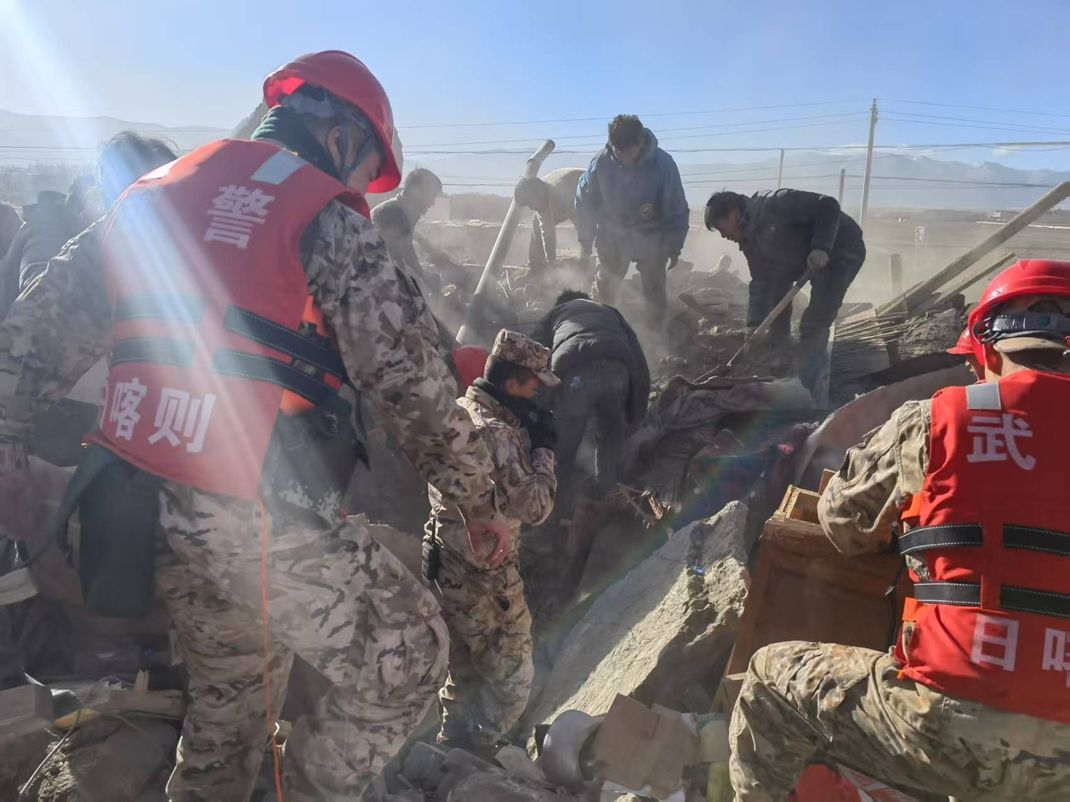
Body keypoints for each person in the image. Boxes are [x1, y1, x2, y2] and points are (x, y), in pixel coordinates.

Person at [0, 50, 509, 801]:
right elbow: (415, 392)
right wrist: (477, 502)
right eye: (364, 164)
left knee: (233, 701)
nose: (356, 184)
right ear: (338, 133)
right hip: (252, 506)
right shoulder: (321, 216)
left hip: (139, 497)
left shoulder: (151, 193)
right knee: (411, 653)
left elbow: (34, 334)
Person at [729, 259, 1070, 801]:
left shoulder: (939, 417)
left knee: (770, 678)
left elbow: (843, 523)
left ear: (984, 347)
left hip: (952, 724)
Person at [426, 329, 557, 754]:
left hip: (445, 560)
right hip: (486, 574)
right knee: (512, 681)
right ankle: (474, 759)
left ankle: (446, 760)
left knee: (463, 672)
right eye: (535, 385)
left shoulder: (460, 409)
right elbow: (535, 507)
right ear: (514, 382)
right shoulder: (498, 432)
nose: (538, 395)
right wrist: (544, 453)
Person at [704, 189, 866, 392]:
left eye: (721, 228)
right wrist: (754, 324)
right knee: (776, 297)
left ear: (733, 215)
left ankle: (808, 386)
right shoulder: (748, 239)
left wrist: (821, 246)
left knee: (815, 322)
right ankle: (781, 357)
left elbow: (828, 205)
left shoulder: (776, 203)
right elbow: (761, 281)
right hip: (801, 257)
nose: (723, 235)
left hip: (842, 250)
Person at [575, 115, 689, 327]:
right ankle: (602, 329)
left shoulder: (663, 165)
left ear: (640, 144)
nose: (623, 159)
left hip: (651, 235)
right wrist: (585, 238)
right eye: (618, 153)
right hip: (611, 235)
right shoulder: (600, 163)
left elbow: (676, 207)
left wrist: (674, 246)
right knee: (605, 287)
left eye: (628, 153)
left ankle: (655, 335)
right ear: (612, 146)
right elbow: (585, 202)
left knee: (654, 289)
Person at [371, 167, 444, 288]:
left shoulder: (403, 209)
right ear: (418, 192)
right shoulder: (394, 212)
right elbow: (405, 252)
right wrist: (423, 277)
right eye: (432, 195)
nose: (432, 203)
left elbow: (408, 244)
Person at [514, 167, 584, 273]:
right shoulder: (542, 199)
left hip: (593, 193)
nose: (531, 208)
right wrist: (552, 261)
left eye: (529, 203)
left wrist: (585, 259)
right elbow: (547, 234)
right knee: (536, 222)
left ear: (535, 194)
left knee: (594, 235)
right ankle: (536, 268)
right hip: (568, 197)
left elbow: (583, 226)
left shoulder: (562, 194)